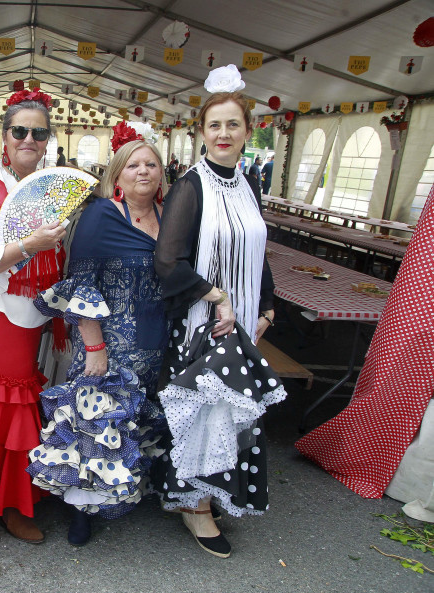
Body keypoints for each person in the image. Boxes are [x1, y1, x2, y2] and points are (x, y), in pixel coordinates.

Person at [153, 65, 284, 559]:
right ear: (201, 133)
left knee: (231, 415)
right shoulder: (192, 186)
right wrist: (217, 297)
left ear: (248, 132)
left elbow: (258, 251)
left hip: (245, 319)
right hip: (204, 321)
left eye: (233, 125)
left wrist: (266, 308)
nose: (224, 133)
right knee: (209, 414)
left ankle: (210, 492)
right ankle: (195, 505)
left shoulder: (247, 182)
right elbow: (167, 262)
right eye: (215, 125)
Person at [28, 122, 169, 546]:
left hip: (155, 341)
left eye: (151, 164)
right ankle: (81, 509)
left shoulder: (170, 218)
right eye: (133, 165)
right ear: (117, 174)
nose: (143, 171)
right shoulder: (101, 214)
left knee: (135, 426)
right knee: (94, 427)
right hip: (109, 347)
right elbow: (80, 282)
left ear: (162, 173)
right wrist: (95, 346)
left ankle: (125, 492)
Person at [0, 88, 66, 544]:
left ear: (48, 142)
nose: (29, 140)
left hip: (26, 308)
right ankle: (3, 503)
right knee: (8, 398)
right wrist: (30, 246)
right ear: (3, 137)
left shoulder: (31, 188)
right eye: (20, 131)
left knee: (12, 398)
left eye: (38, 134)